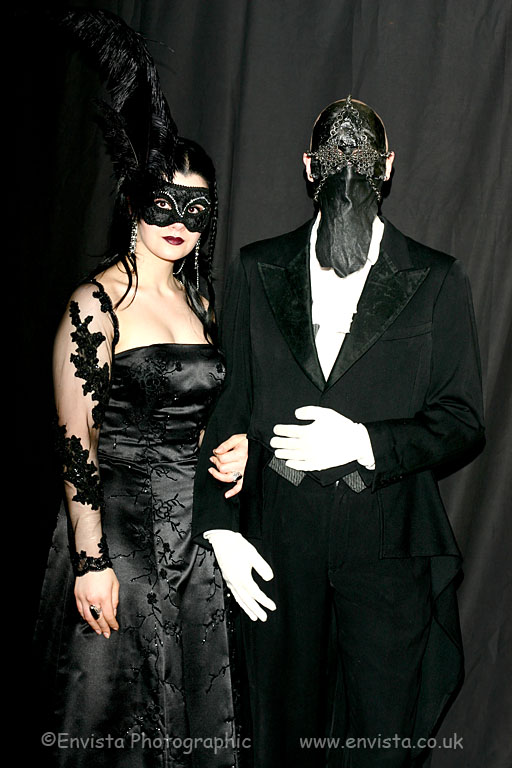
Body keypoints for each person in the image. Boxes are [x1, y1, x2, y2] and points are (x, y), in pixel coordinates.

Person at [193, 96, 485, 767]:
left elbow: (463, 420)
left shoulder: (436, 279)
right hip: (277, 552)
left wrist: (366, 443)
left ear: (387, 166)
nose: (347, 169)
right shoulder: (256, 269)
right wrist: (219, 528)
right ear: (307, 166)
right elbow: (227, 410)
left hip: (387, 554)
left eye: (361, 158)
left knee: (379, 743)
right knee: (280, 739)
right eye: (333, 158)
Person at [34, 11, 247, 768]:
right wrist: (91, 560)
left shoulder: (200, 303)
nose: (180, 222)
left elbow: (195, 415)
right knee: (114, 721)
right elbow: (77, 443)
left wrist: (228, 450)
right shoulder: (95, 305)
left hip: (191, 543)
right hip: (118, 536)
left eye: (197, 208)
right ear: (134, 199)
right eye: (165, 202)